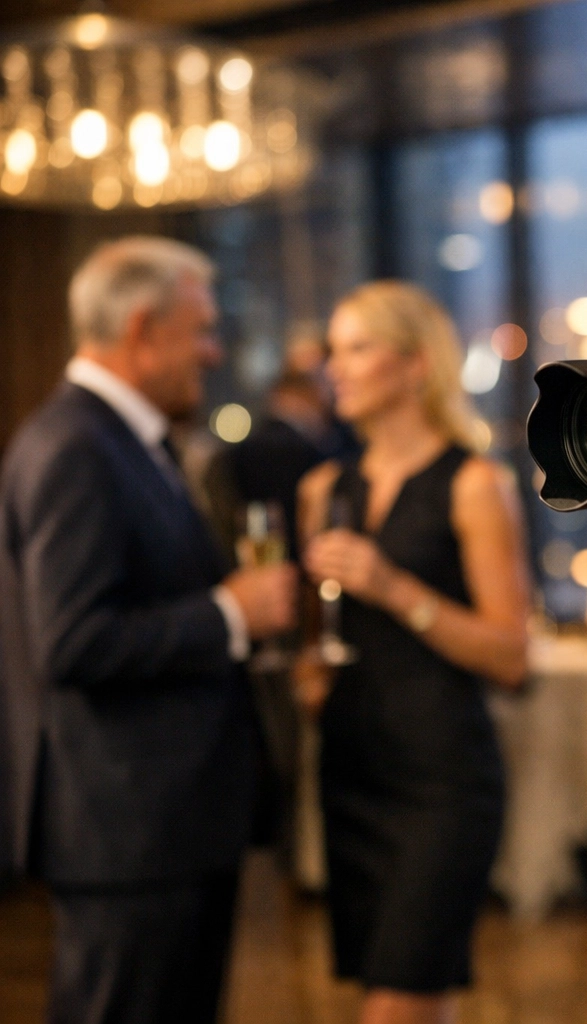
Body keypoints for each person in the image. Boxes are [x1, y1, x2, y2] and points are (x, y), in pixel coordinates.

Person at [0, 236, 297, 1024]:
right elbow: (72, 641)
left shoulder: (124, 441)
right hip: (127, 831)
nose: (212, 351)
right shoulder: (76, 447)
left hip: (164, 825)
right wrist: (232, 612)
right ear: (141, 329)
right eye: (200, 329)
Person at [295, 281, 530, 1024]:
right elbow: (316, 637)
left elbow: (511, 658)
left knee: (399, 1000)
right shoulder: (321, 489)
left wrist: (394, 589)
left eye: (356, 348)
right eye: (332, 350)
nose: (334, 367)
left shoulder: (474, 484)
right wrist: (307, 672)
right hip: (352, 768)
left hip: (441, 782)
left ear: (414, 365)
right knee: (399, 994)